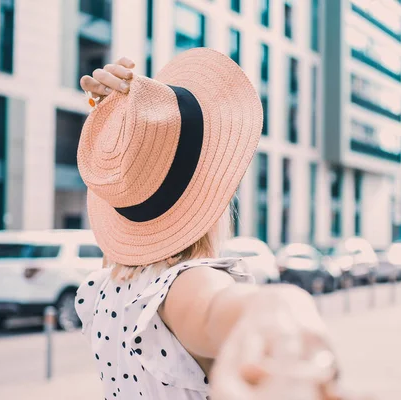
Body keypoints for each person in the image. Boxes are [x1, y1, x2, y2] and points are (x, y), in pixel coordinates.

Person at [75, 48, 348, 400]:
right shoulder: (184, 283)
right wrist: (280, 306)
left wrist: (116, 125)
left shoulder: (98, 291)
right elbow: (221, 306)